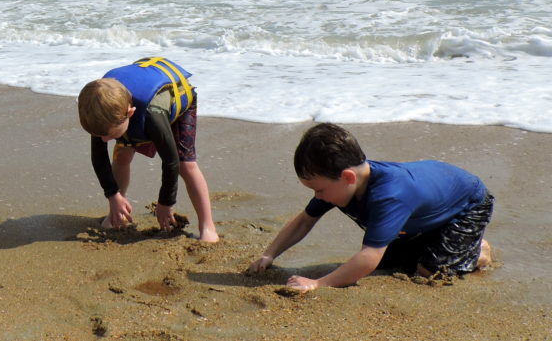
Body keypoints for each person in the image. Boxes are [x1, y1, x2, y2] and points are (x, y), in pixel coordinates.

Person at [247, 122, 493, 291]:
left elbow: (368, 259)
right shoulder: (343, 183)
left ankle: (478, 251)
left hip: (468, 204)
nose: (317, 196)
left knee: (428, 271)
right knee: (391, 263)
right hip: (427, 205)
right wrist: (269, 253)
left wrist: (318, 283)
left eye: (319, 190)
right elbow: (304, 220)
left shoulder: (389, 196)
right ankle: (439, 241)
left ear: (348, 177)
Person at [77, 56, 219, 243]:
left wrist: (165, 203)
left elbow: (171, 161)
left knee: (186, 165)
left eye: (108, 134)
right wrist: (113, 196)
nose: (103, 140)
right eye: (99, 134)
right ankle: (117, 213)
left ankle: (208, 226)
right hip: (132, 107)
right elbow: (99, 159)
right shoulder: (100, 113)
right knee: (121, 155)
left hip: (177, 99)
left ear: (130, 113)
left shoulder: (153, 116)